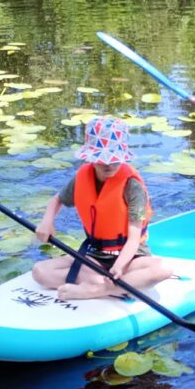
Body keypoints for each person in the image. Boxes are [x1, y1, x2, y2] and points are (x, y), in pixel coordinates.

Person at [32, 117, 171, 300]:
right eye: (101, 159)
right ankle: (111, 284)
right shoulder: (83, 177)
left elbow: (134, 238)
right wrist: (47, 222)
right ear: (91, 157)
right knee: (40, 271)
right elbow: (57, 200)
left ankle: (98, 289)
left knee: (162, 269)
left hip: (130, 257)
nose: (108, 165)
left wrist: (119, 266)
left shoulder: (132, 187)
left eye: (114, 159)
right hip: (95, 256)